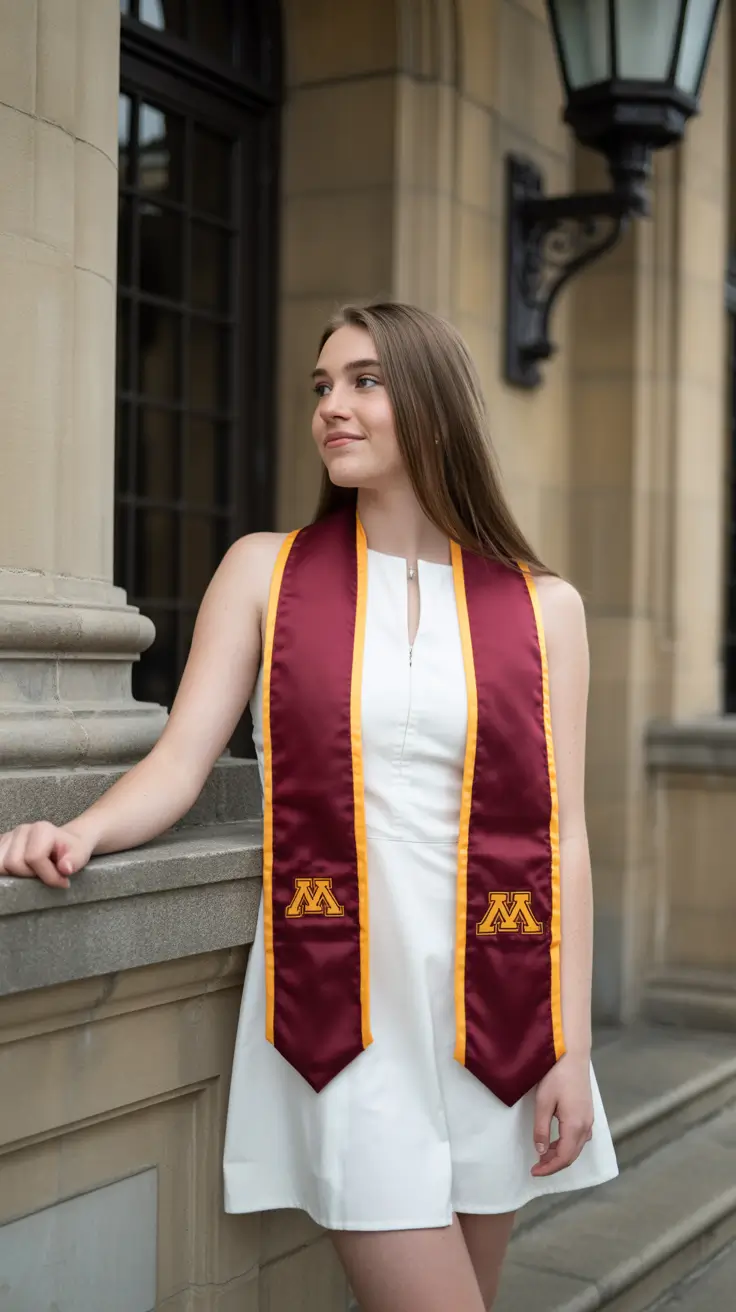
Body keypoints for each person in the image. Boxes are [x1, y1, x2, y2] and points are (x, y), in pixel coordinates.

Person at [0, 302, 618, 1311]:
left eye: (364, 381)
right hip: (345, 1003)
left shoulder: (544, 606)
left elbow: (565, 837)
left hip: (498, 1011)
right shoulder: (267, 571)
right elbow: (181, 762)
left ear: (433, 403)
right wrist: (76, 831)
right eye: (322, 385)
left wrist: (572, 1047)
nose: (332, 405)